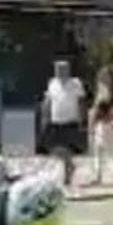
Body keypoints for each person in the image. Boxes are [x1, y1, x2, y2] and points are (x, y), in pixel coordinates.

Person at [39, 58, 87, 187]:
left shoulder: (75, 83)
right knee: (54, 148)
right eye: (57, 69)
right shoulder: (52, 83)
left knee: (67, 146)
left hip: (71, 120)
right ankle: (70, 165)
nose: (59, 72)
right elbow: (48, 101)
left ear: (68, 70)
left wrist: (82, 118)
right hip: (56, 120)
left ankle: (68, 172)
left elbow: (81, 102)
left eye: (62, 69)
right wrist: (45, 116)